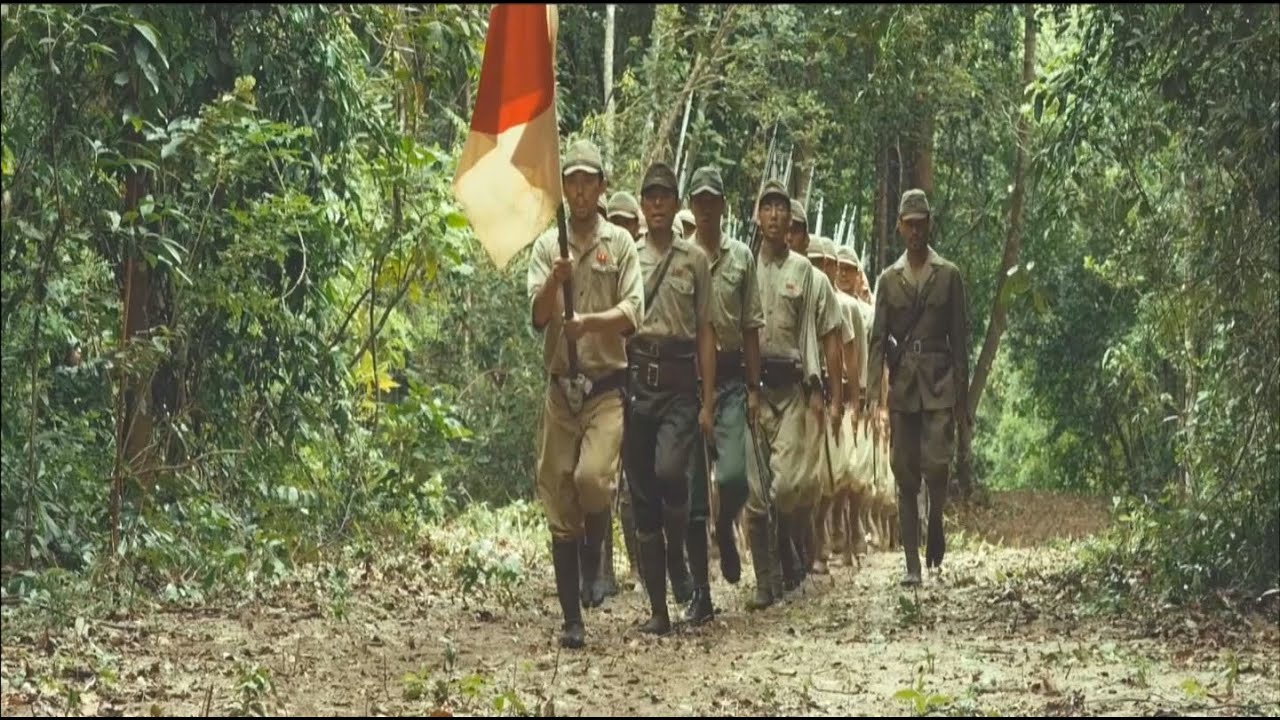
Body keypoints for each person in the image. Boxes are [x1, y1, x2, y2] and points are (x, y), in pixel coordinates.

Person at [525, 139, 643, 647]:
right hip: (561, 391)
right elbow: (537, 317)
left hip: (605, 388)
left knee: (593, 480)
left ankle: (598, 544)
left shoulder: (620, 243)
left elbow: (633, 311)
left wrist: (589, 322)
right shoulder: (547, 246)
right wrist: (555, 283)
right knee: (559, 498)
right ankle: (572, 619)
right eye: (571, 181)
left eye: (587, 181)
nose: (578, 191)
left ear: (601, 187)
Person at [624, 161, 717, 634]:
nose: (657, 203)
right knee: (642, 495)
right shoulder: (629, 257)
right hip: (638, 380)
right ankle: (658, 610)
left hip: (680, 382)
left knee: (670, 473)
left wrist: (708, 400)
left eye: (665, 196)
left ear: (677, 203)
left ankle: (678, 553)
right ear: (642, 205)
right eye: (650, 196)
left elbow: (705, 331)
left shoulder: (694, 260)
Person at [867, 188, 971, 586]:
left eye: (921, 223)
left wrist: (962, 398)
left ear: (929, 225)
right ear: (899, 227)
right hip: (904, 386)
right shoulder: (888, 280)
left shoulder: (949, 275)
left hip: (940, 381)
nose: (915, 231)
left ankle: (937, 522)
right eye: (908, 224)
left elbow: (960, 339)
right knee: (905, 473)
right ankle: (912, 563)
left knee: (937, 465)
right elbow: (878, 339)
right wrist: (873, 395)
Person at [682, 165, 764, 621]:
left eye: (713, 201)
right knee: (693, 491)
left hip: (731, 380)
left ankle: (727, 522)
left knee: (734, 477)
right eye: (699, 201)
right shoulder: (680, 256)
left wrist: (753, 388)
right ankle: (701, 593)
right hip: (688, 382)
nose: (706, 209)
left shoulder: (741, 258)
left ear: (723, 206)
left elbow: (751, 326)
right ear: (691, 206)